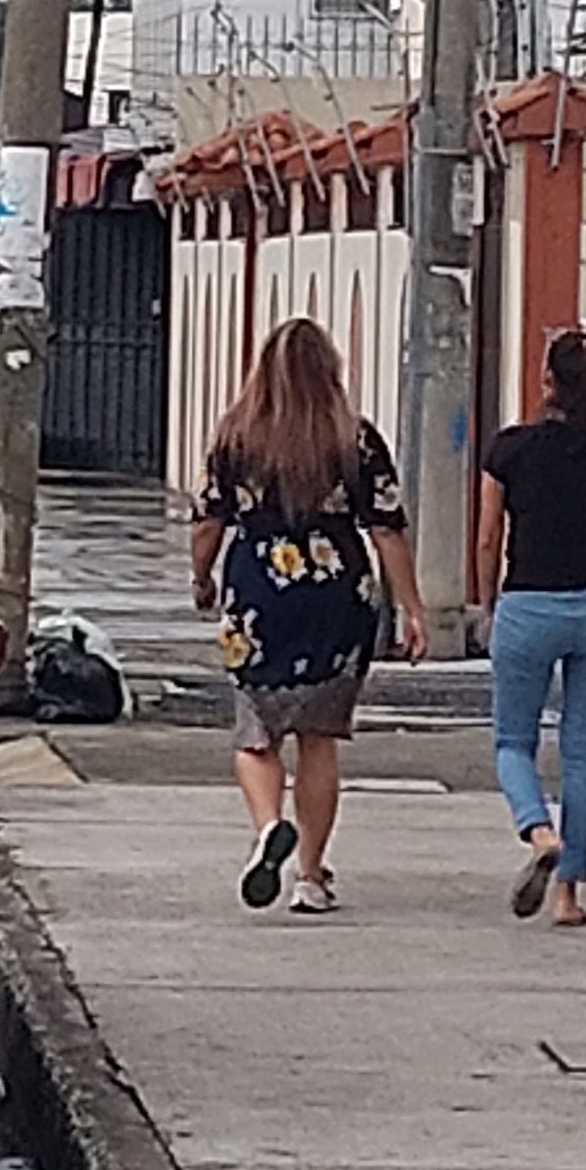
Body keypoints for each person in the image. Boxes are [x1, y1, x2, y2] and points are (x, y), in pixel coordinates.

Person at [189, 317, 426, 915]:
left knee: (255, 733)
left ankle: (269, 826)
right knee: (319, 740)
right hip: (336, 592)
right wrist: (412, 609)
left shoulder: (235, 437)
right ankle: (311, 877)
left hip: (258, 594)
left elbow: (208, 521)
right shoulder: (356, 440)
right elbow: (387, 529)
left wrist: (202, 576)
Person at [469, 329, 586, 929]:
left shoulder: (510, 451)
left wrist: (485, 602)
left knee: (512, 742)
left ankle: (538, 831)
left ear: (546, 380)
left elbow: (487, 537)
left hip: (529, 604)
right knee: (582, 750)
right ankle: (569, 896)